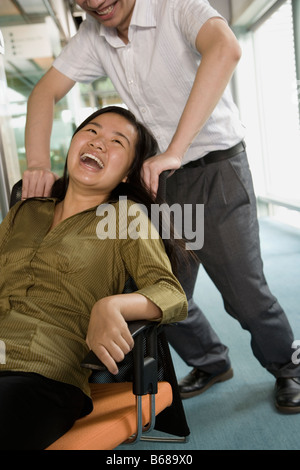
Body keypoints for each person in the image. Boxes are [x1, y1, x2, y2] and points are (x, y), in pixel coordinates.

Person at [22, 0, 300, 413]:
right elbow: (44, 92)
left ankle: (288, 368)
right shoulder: (93, 34)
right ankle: (211, 360)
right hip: (163, 181)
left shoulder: (177, 6)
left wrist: (175, 149)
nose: (94, 2)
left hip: (215, 171)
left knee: (244, 292)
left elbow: (226, 48)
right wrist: (38, 166)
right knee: (161, 291)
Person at [0, 106, 188, 450]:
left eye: (117, 142)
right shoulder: (25, 211)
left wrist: (113, 305)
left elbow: (172, 294)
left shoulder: (124, 218)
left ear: (127, 176)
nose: (99, 144)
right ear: (72, 144)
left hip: (41, 372)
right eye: (92, 131)